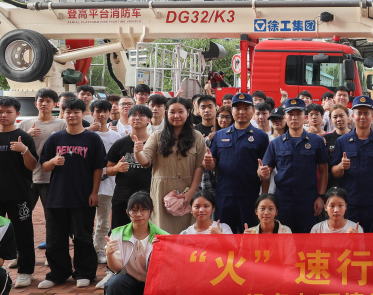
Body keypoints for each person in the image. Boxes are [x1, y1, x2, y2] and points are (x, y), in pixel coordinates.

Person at [37, 98, 106, 289]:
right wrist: (53, 162)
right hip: (57, 196)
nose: (72, 115)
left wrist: (94, 193)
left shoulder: (92, 139)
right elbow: (44, 165)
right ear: (63, 114)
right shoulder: (55, 138)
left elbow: (98, 168)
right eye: (68, 112)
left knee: (83, 236)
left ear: (83, 114)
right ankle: (57, 273)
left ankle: (85, 273)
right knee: (55, 238)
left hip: (83, 196)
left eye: (76, 112)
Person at [0, 97, 37, 286]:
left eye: (9, 112)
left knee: (23, 233)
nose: (4, 115)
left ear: (17, 114)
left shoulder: (24, 137)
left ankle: (25, 271)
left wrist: (24, 150)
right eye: (0, 111)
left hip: (19, 194)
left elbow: (32, 165)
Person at [92, 192, 166, 295]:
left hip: (154, 284)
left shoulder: (162, 236)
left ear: (151, 211)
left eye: (143, 209)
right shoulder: (117, 233)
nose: (139, 214)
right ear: (127, 212)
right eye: (134, 210)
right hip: (129, 282)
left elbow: (164, 273)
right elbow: (117, 268)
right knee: (114, 283)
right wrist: (109, 254)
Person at [136, 97, 207, 236]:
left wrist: (191, 193)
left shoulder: (197, 137)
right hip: (162, 191)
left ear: (188, 113)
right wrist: (137, 152)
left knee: (187, 233)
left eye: (181, 111)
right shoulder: (157, 136)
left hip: (187, 190)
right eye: (172, 112)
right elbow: (145, 161)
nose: (176, 115)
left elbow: (200, 166)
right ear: (166, 113)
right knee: (163, 233)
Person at [260, 100, 330, 235]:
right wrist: (261, 172)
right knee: (284, 237)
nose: (294, 118)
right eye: (290, 114)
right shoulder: (276, 143)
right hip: (283, 200)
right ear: (285, 117)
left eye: (298, 114)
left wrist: (321, 197)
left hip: (308, 199)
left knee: (307, 238)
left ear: (305, 117)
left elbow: (324, 171)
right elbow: (266, 171)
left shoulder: (316, 141)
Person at [204, 93, 270, 235]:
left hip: (249, 196)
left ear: (253, 111)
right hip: (224, 195)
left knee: (249, 235)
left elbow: (265, 170)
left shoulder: (261, 137)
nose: (241, 112)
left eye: (246, 108)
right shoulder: (220, 135)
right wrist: (207, 162)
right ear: (232, 111)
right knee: (224, 235)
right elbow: (211, 166)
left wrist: (263, 197)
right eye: (237, 108)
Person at [330, 95, 373, 232]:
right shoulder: (342, 141)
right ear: (353, 116)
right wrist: (341, 166)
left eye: (366, 113)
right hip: (349, 203)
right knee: (350, 240)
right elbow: (334, 172)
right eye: (359, 113)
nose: (362, 117)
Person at [26, 87, 65, 256]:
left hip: (52, 178)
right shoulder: (25, 124)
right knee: (23, 217)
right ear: (35, 103)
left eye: (48, 101)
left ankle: (52, 253)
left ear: (55, 104)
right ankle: (23, 254)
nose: (44, 104)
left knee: (52, 219)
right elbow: (14, 147)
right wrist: (27, 135)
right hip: (28, 178)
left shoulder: (62, 124)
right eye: (41, 100)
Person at [105, 104, 153, 232]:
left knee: (146, 234)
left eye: (141, 115)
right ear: (129, 119)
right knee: (119, 233)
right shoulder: (120, 143)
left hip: (149, 197)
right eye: (133, 115)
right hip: (123, 197)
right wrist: (116, 168)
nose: (137, 118)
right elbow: (108, 169)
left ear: (149, 120)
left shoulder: (154, 143)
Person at [88, 99, 123, 268]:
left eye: (105, 111)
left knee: (103, 220)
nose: (101, 115)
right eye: (97, 111)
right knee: (85, 221)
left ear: (110, 113)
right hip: (87, 185)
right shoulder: (86, 135)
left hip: (108, 184)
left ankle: (99, 249)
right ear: (92, 113)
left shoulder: (116, 137)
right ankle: (86, 250)